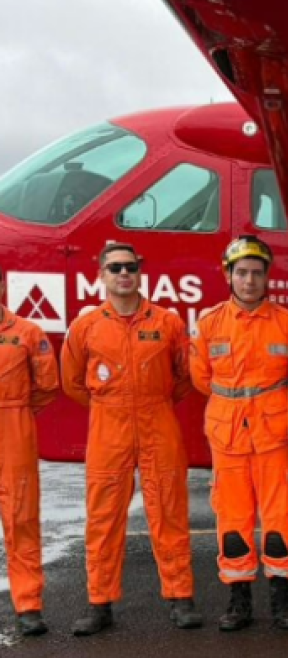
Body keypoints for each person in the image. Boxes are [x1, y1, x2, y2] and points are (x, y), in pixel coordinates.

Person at [61, 243, 202, 635]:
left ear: (140, 272)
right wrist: (110, 405)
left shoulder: (168, 322)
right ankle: (99, 603)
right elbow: (72, 382)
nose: (124, 273)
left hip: (159, 422)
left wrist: (153, 402)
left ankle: (180, 597)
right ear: (102, 277)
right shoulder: (87, 326)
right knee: (103, 517)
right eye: (115, 268)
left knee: (170, 511)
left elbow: (184, 376)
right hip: (109, 427)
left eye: (130, 267)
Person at [191, 235, 288, 632]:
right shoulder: (209, 325)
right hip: (228, 436)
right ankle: (238, 600)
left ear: (267, 277)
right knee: (233, 519)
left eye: (257, 273)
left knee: (279, 519)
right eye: (241, 272)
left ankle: (282, 599)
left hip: (274, 435)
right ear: (228, 275)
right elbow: (201, 378)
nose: (249, 280)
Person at [0, 265, 60, 635]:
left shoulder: (27, 332)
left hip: (14, 429)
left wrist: (16, 411)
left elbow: (48, 385)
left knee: (21, 518)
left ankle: (28, 606)